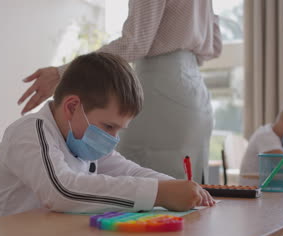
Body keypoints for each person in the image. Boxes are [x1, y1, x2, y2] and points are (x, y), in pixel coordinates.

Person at [0, 53, 215, 219]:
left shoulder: (81, 140)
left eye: (118, 130)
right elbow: (62, 191)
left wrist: (175, 185)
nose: (113, 139)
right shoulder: (31, 130)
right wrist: (159, 193)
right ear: (72, 107)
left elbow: (129, 171)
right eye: (109, 126)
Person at [17, 0, 222, 182]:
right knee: (185, 190)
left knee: (136, 194)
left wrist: (63, 73)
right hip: (195, 93)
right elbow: (215, 46)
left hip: (161, 88)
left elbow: (135, 44)